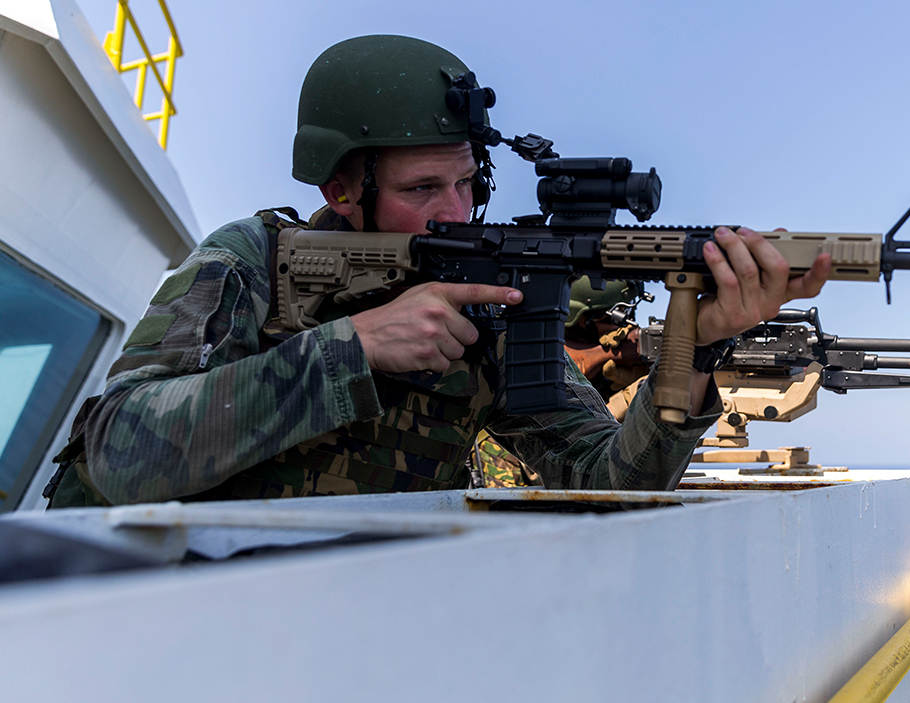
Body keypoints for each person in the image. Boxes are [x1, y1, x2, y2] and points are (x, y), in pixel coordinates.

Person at [45, 34, 830, 507]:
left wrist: (696, 348)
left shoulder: (488, 305)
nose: (455, 211)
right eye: (422, 188)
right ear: (342, 190)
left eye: (468, 183)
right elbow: (121, 452)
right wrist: (354, 348)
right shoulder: (251, 262)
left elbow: (614, 482)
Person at [474, 278, 651, 487]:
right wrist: (633, 396)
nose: (627, 327)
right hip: (511, 490)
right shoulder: (520, 370)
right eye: (621, 316)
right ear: (582, 320)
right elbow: (572, 445)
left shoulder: (612, 371)